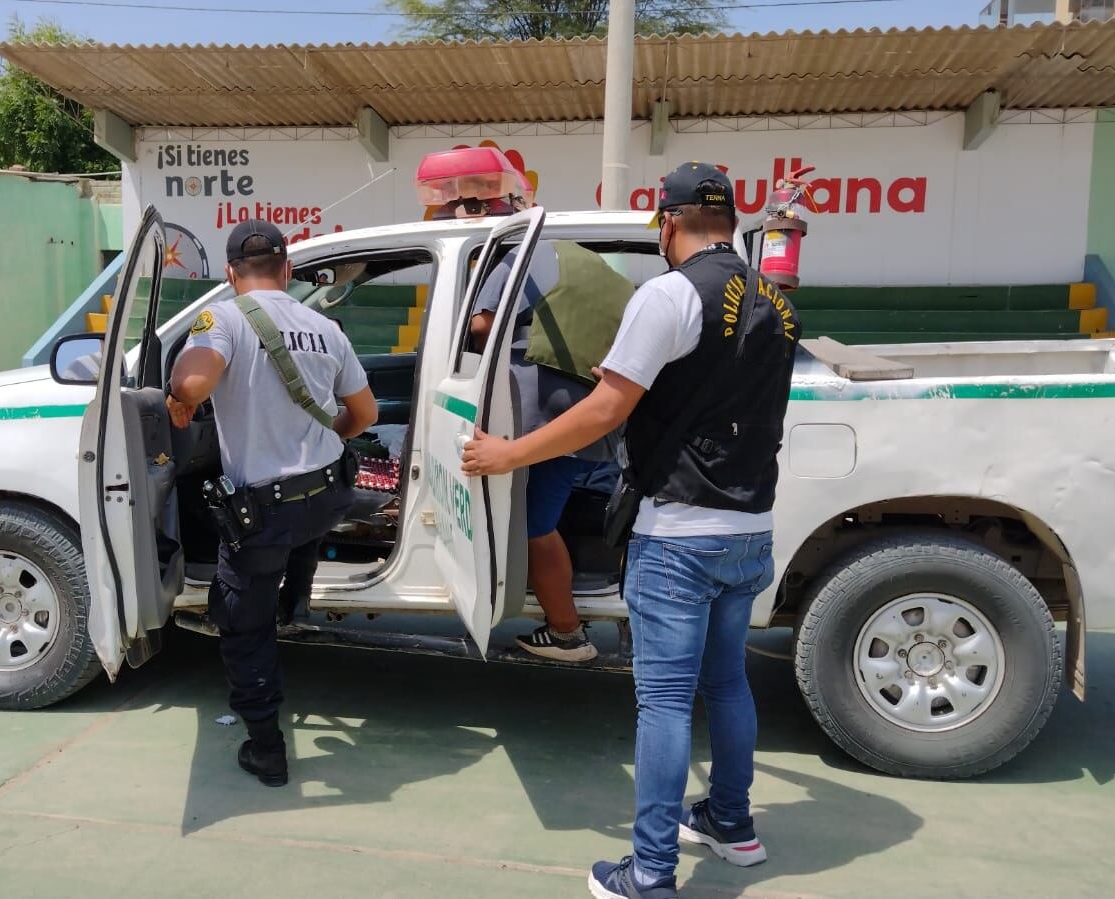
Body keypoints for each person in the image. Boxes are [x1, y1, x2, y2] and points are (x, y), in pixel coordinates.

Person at [461, 162, 799, 898]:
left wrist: (507, 453)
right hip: (750, 525)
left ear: (668, 224)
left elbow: (604, 410)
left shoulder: (669, 294)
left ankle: (648, 871)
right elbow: (713, 391)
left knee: (666, 703)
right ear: (730, 222)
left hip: (678, 530)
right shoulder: (774, 299)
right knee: (728, 682)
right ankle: (732, 823)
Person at [166, 219, 378, 788]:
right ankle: (296, 601)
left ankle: (266, 747)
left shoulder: (224, 320)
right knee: (303, 529)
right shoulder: (325, 327)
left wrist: (177, 397)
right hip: (326, 491)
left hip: (266, 509)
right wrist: (330, 424)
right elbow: (365, 416)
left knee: (242, 624)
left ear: (232, 274)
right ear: (287, 270)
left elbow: (191, 385)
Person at [469, 241, 623, 663]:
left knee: (535, 525)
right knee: (539, 518)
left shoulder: (514, 257)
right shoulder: (598, 269)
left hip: (535, 408)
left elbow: (483, 325)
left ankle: (567, 632)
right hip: (587, 412)